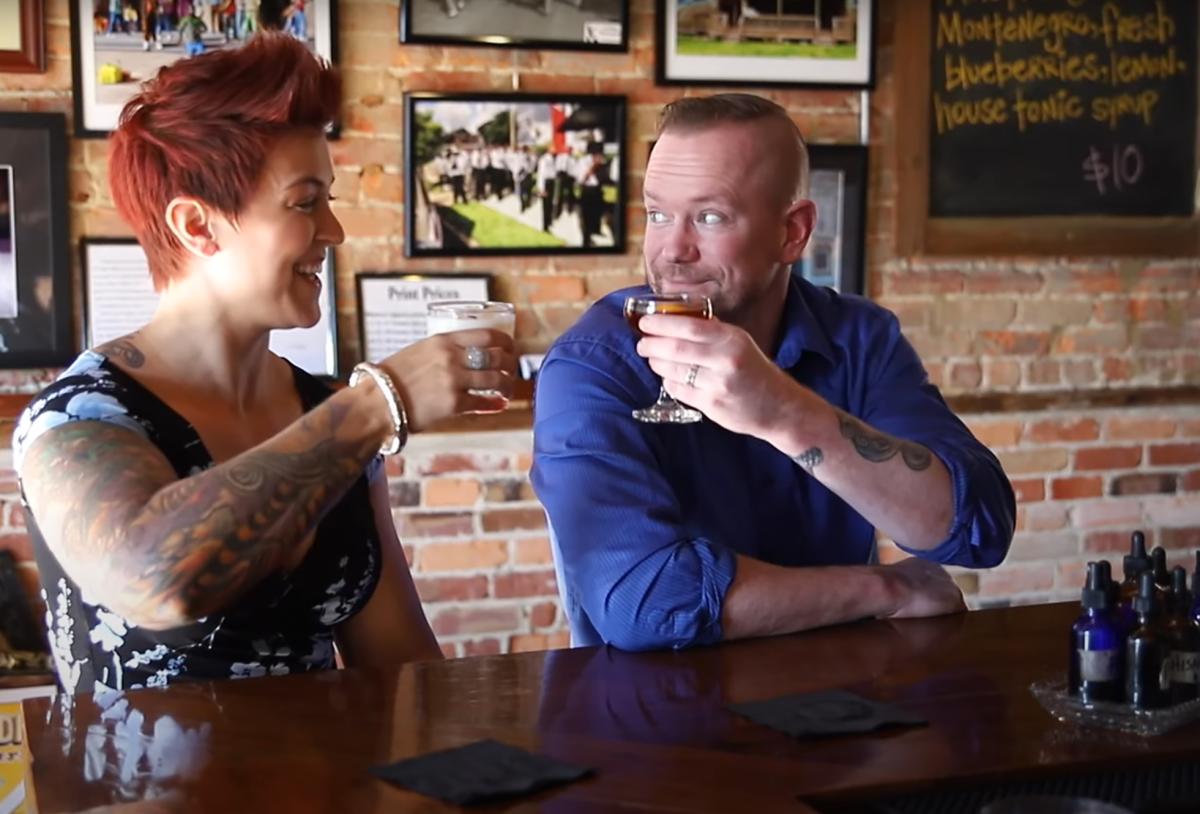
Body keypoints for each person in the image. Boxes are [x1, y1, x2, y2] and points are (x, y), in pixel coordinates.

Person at [14, 33, 517, 693]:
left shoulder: (326, 410)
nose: (334, 231)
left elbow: (399, 663)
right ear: (198, 226)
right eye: (306, 202)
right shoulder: (75, 419)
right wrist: (378, 401)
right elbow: (156, 580)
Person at [531, 93, 1014, 652]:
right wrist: (885, 590)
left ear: (793, 233)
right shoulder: (592, 364)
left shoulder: (858, 338)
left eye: (709, 217)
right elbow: (648, 605)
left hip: (846, 702)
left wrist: (785, 412)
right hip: (659, 715)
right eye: (658, 215)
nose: (671, 250)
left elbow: (977, 528)